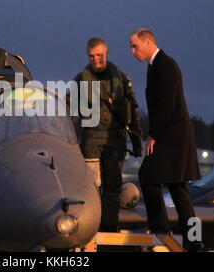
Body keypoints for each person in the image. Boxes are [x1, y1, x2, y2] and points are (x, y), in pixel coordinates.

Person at [129, 28, 203, 251]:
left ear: (148, 42)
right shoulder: (157, 66)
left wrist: (153, 135)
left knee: (149, 176)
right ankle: (193, 239)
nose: (132, 51)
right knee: (179, 189)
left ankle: (162, 228)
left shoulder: (165, 65)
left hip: (172, 138)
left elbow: (167, 105)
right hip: (172, 136)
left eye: (135, 46)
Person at [73, 37, 143, 232]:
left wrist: (137, 140)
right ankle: (92, 229)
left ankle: (109, 229)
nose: (95, 59)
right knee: (91, 189)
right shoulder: (80, 81)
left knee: (112, 189)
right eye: (91, 56)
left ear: (106, 54)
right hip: (91, 142)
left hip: (114, 142)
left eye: (99, 55)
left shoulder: (120, 79)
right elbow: (68, 110)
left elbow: (133, 111)